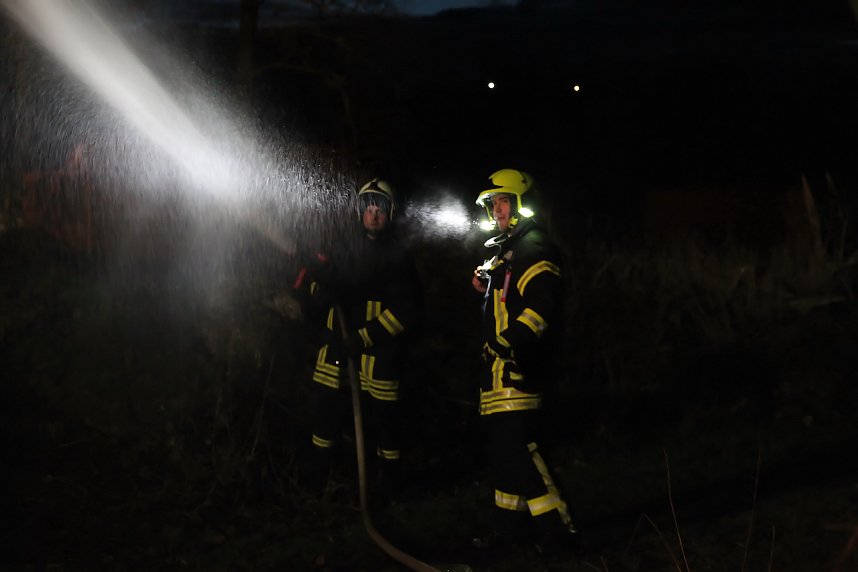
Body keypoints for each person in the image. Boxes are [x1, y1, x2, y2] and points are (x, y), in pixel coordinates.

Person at [470, 168, 577, 552]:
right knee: (503, 457)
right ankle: (510, 533)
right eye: (493, 203)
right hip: (499, 376)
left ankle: (558, 530)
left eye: (502, 201)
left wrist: (508, 344)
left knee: (519, 451)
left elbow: (541, 308)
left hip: (518, 371)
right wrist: (489, 283)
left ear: (520, 203)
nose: (496, 209)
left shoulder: (534, 247)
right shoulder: (507, 251)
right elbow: (507, 305)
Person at [300, 177, 420, 501]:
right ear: (360, 211)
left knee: (385, 422)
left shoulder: (398, 257)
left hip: (380, 353)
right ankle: (320, 477)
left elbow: (404, 313)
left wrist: (363, 338)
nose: (373, 213)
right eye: (368, 206)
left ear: (389, 213)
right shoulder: (343, 248)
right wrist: (316, 285)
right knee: (324, 410)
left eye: (380, 208)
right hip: (337, 348)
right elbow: (316, 295)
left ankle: (389, 485)